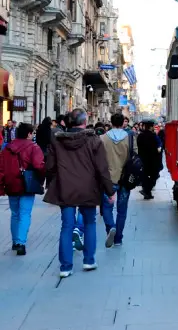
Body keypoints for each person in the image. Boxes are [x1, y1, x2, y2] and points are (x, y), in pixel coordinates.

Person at [44, 109, 115, 278]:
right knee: (89, 223)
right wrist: (110, 191)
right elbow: (102, 169)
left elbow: (50, 167)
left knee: (67, 226)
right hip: (88, 189)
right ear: (84, 122)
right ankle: (89, 260)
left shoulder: (58, 141)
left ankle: (65, 267)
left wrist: (54, 181)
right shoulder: (94, 140)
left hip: (65, 188)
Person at [0, 123, 46, 255]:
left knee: (15, 213)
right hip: (27, 184)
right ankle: (21, 243)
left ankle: (15, 241)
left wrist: (2, 185)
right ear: (29, 134)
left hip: (11, 184)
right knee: (25, 213)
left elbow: (1, 168)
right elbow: (39, 165)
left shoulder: (7, 148)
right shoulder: (33, 147)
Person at [100, 113, 137, 247]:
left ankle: (111, 227)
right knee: (122, 210)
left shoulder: (102, 138)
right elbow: (135, 155)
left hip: (108, 179)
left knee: (106, 207)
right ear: (123, 123)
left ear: (111, 123)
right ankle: (118, 239)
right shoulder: (130, 138)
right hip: (125, 179)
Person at [137, 121, 161, 200]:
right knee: (154, 176)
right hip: (152, 160)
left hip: (143, 159)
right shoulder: (153, 136)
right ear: (151, 127)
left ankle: (147, 193)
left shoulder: (140, 136)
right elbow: (158, 148)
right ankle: (146, 191)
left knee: (145, 176)